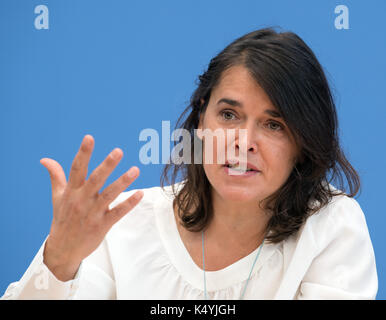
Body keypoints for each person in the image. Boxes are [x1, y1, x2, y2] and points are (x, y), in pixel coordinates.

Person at [1, 27, 378, 300]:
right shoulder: (123, 223)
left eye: (273, 124)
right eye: (229, 115)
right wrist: (60, 261)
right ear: (201, 121)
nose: (243, 142)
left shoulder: (332, 227)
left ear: (303, 141)